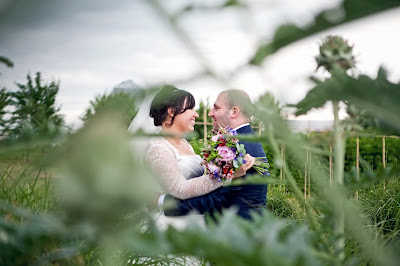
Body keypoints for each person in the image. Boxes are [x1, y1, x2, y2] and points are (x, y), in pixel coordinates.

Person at [137, 85, 255, 229]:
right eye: (190, 109)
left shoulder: (186, 144)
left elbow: (202, 180)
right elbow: (180, 189)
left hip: (193, 220)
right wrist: (227, 175)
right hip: (171, 225)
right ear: (171, 111)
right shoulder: (159, 148)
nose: (196, 114)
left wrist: (231, 162)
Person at [159, 89, 270, 220]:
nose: (210, 113)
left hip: (237, 229)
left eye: (216, 108)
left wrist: (162, 203)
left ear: (234, 112)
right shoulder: (244, 139)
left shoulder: (241, 147)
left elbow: (216, 199)